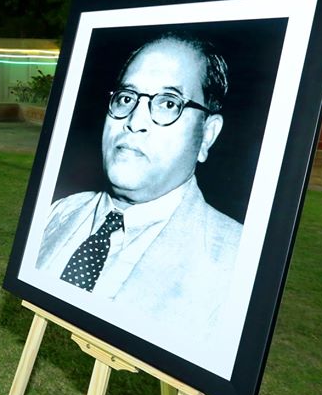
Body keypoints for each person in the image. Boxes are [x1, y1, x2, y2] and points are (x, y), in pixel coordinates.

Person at [35, 33, 242, 330]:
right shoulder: (58, 212)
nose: (134, 120)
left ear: (207, 134)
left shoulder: (236, 265)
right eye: (127, 98)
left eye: (169, 103)